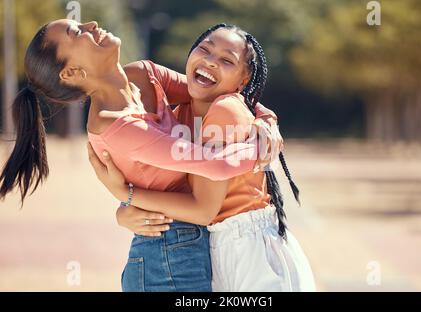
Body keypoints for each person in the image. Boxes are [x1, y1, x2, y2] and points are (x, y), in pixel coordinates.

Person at [0, 19, 281, 292]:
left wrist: (267, 122)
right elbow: (217, 166)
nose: (92, 25)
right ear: (72, 73)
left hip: (191, 248)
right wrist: (265, 149)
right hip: (165, 258)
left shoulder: (142, 74)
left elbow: (219, 91)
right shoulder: (116, 126)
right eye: (77, 33)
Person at [88, 23, 316, 291]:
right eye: (205, 49)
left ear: (243, 81)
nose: (210, 62)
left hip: (249, 251)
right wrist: (125, 212)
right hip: (216, 247)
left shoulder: (225, 110)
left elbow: (202, 210)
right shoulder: (182, 111)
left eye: (226, 60)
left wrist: (126, 195)